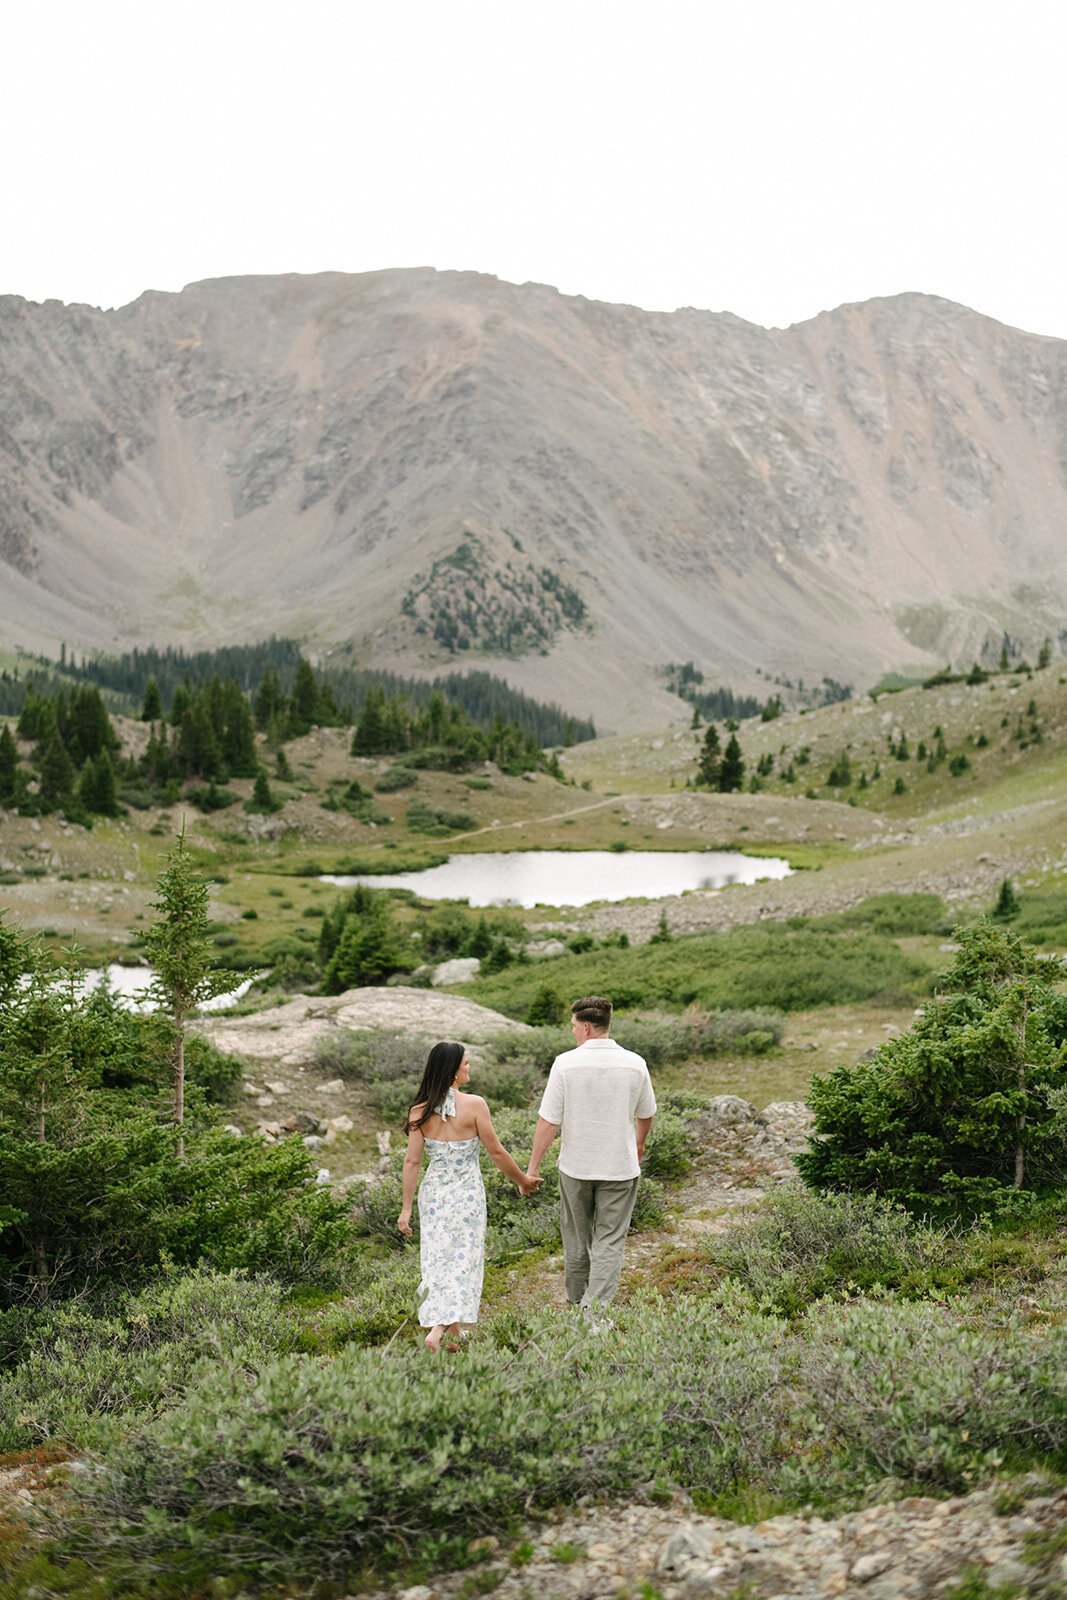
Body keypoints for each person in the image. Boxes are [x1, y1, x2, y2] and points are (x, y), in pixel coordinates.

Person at [398, 1040, 539, 1352]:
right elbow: (497, 1153)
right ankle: (437, 1330)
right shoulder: (475, 1105)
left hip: (433, 1195)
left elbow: (412, 1162)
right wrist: (523, 1180)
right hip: (466, 1196)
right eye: (465, 1062)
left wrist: (406, 1209)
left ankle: (454, 1332)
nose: (469, 1066)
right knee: (464, 1259)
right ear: (452, 1070)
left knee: (438, 1260)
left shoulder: (419, 1111)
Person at [527, 995, 655, 1311]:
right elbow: (646, 1113)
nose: (572, 1032)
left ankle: (575, 1305)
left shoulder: (565, 1063)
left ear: (585, 1027)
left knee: (576, 1241)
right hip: (620, 1168)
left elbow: (548, 1121)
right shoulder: (635, 1063)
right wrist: (638, 1144)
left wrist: (532, 1167)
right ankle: (594, 1314)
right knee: (610, 1241)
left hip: (576, 1168)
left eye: (573, 1026)